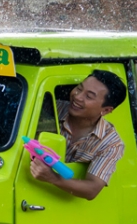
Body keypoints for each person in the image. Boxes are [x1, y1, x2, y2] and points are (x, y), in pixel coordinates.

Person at [29, 69, 127, 200]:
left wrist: (52, 178)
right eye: (79, 88)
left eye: (89, 96)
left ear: (106, 110)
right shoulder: (50, 108)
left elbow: (92, 189)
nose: (77, 96)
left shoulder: (111, 143)